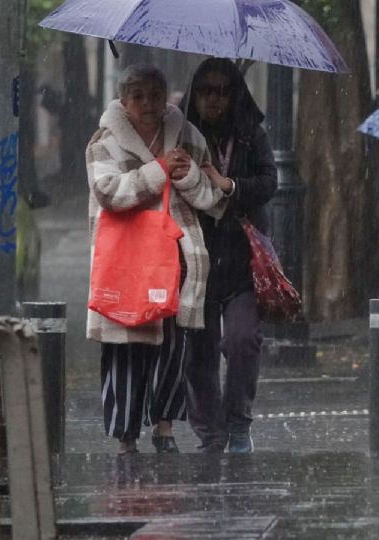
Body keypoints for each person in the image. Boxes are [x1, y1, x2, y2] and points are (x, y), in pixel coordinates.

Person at [85, 64, 230, 454]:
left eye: (155, 95)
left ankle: (165, 427)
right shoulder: (105, 141)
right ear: (124, 101)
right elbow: (109, 192)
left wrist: (186, 176)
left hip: (176, 255)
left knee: (172, 347)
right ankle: (126, 436)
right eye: (139, 97)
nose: (148, 104)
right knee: (125, 347)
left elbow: (210, 200)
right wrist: (159, 170)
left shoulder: (187, 136)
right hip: (126, 262)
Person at [182, 58, 278, 453]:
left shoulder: (251, 135)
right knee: (197, 352)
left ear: (234, 94)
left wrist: (230, 185)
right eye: (205, 90)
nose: (213, 100)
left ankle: (238, 422)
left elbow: (269, 181)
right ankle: (210, 432)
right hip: (195, 260)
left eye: (222, 91)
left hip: (242, 261)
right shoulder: (182, 136)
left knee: (242, 341)